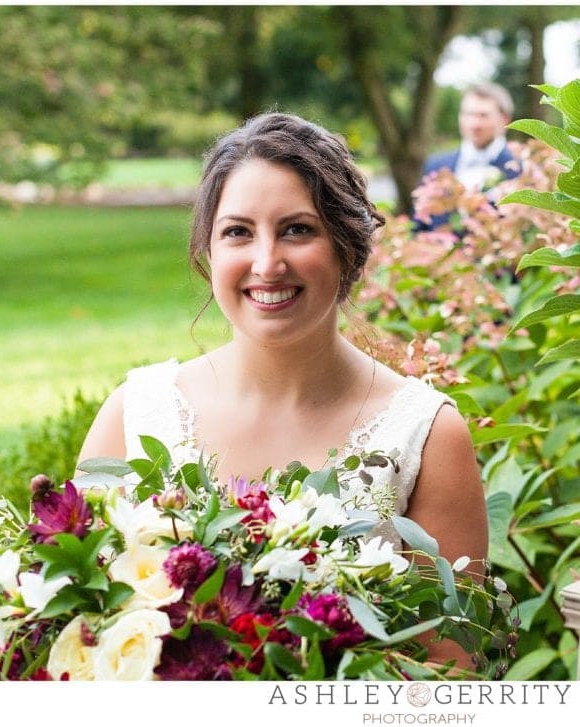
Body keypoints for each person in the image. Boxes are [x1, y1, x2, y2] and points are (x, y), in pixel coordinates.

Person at [75, 112, 488, 669]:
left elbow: (446, 677)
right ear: (209, 252)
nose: (267, 263)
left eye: (297, 229)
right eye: (238, 232)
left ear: (348, 246)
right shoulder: (135, 413)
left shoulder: (427, 435)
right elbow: (78, 633)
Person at [414, 83, 521, 230]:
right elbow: (419, 227)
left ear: (505, 119)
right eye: (468, 114)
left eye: (483, 115)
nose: (474, 124)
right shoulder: (435, 165)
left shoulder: (522, 169)